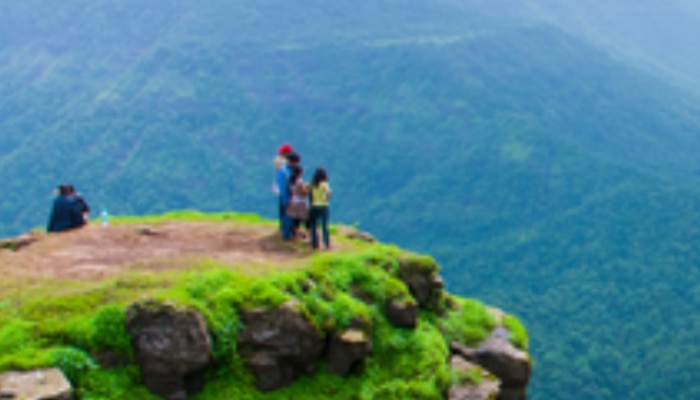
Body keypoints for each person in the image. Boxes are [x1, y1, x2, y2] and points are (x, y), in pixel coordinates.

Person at [278, 152, 301, 240]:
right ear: (291, 162)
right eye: (296, 162)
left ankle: (292, 232)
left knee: (292, 216)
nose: (296, 164)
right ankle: (286, 234)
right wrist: (286, 198)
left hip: (294, 198)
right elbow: (282, 186)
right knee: (286, 216)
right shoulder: (283, 171)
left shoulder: (293, 169)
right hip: (287, 197)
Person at [273, 144, 295, 234]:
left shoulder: (280, 162)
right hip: (286, 191)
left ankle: (284, 227)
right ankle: (287, 229)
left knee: (282, 210)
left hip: (281, 190)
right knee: (287, 211)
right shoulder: (285, 165)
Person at [308, 168, 332, 249]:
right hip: (324, 206)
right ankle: (327, 244)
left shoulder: (312, 184)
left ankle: (315, 244)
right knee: (325, 226)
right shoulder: (324, 184)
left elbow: (305, 190)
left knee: (314, 226)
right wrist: (326, 198)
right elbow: (329, 192)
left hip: (314, 206)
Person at [286, 165, 310, 240]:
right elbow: (304, 192)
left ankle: (296, 235)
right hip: (301, 202)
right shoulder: (300, 181)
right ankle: (307, 234)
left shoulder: (291, 181)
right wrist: (307, 189)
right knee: (307, 218)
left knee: (296, 219)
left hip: (293, 201)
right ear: (300, 172)